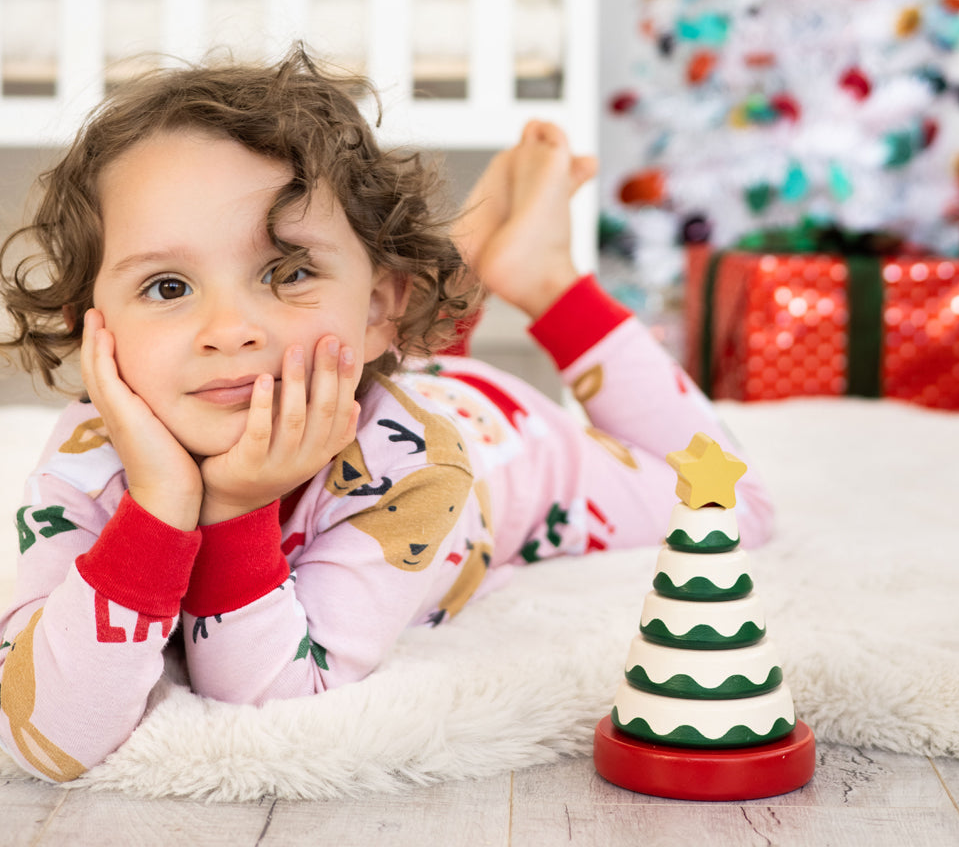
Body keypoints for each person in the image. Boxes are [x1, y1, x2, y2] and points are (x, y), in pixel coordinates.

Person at [0, 47, 773, 782]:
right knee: (350, 348)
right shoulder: (95, 447)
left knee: (729, 506)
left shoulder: (417, 473)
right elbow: (44, 732)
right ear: (88, 326)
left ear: (378, 307)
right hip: (364, 361)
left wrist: (235, 508)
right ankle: (458, 261)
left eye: (288, 270)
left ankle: (542, 277)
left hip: (498, 439)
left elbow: (271, 702)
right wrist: (158, 509)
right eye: (167, 288)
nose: (229, 329)